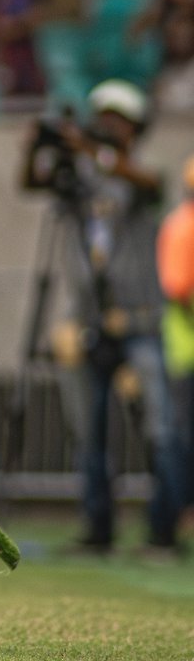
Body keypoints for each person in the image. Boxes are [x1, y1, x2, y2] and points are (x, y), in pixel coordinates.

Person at [21, 79, 184, 555]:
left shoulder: (140, 174)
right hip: (89, 322)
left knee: (162, 429)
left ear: (133, 128)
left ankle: (162, 533)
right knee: (90, 433)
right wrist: (38, 148)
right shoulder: (81, 180)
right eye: (102, 115)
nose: (106, 123)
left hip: (140, 321)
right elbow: (31, 183)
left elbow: (150, 184)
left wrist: (90, 148)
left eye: (116, 117)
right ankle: (98, 530)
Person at [157, 155, 194, 516]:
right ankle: (176, 515)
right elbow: (179, 288)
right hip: (187, 350)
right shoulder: (184, 226)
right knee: (181, 437)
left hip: (184, 350)